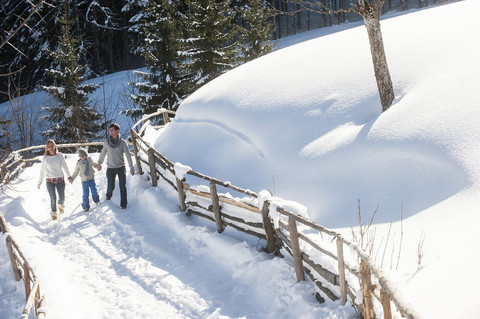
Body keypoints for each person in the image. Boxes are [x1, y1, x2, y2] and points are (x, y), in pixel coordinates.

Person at [98, 123, 134, 209]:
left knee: (122, 186)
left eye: (112, 130)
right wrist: (99, 163)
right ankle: (108, 197)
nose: (110, 131)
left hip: (121, 167)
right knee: (111, 187)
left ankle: (124, 205)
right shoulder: (107, 142)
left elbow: (128, 155)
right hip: (110, 168)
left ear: (117, 131)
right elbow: (103, 153)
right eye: (110, 130)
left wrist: (131, 167)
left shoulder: (122, 143)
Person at [37, 139, 73, 220]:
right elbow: (42, 171)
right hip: (50, 181)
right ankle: (53, 213)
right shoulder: (45, 159)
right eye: (49, 146)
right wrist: (40, 182)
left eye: (52, 146)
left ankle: (60, 205)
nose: (51, 148)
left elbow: (65, 167)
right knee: (53, 198)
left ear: (55, 146)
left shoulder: (60, 156)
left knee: (62, 197)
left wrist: (69, 176)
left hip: (60, 180)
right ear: (47, 148)